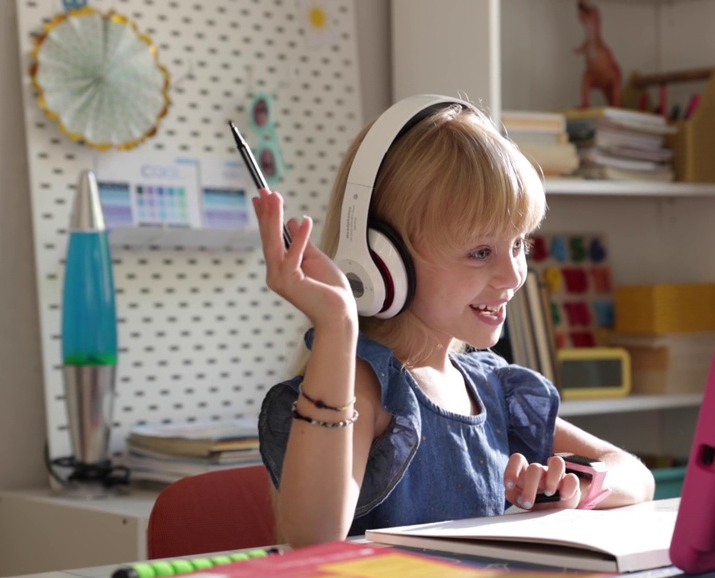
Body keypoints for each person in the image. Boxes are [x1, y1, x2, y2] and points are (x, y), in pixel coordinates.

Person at [254, 98, 655, 548]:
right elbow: (312, 535)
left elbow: (636, 475)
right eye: (480, 252)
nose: (513, 275)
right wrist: (337, 327)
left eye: (519, 244)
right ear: (382, 261)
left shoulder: (496, 388)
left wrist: (581, 483)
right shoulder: (366, 385)